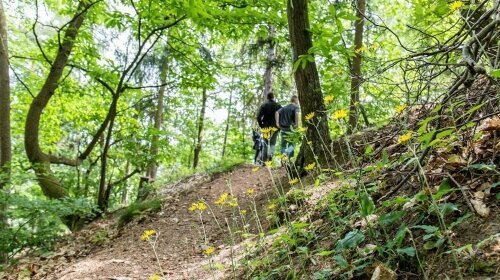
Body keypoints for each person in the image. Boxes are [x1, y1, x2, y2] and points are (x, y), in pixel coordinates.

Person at [257, 92, 282, 162]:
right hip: (275, 127)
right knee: (272, 143)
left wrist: (261, 125)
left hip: (265, 127)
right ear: (273, 97)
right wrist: (279, 125)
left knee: (265, 144)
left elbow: (258, 117)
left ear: (267, 97)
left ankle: (264, 161)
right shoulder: (278, 105)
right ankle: (270, 160)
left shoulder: (264, 105)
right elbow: (282, 116)